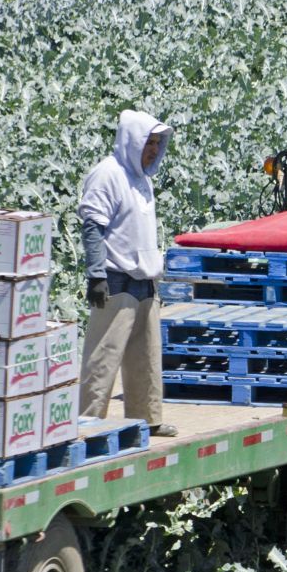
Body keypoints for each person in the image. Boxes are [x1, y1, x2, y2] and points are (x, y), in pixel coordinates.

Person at [78, 109, 176, 437]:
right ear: (133, 141)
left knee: (145, 358)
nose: (154, 149)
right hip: (116, 278)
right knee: (103, 357)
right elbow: (92, 224)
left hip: (145, 279)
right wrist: (96, 275)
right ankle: (88, 423)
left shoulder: (141, 177)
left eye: (158, 143)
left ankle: (147, 420)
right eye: (150, 142)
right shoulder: (108, 174)